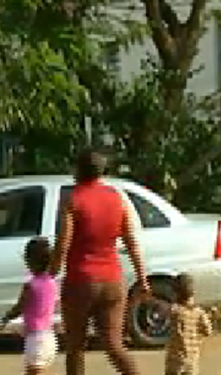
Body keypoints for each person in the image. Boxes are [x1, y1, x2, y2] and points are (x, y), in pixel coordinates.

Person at [49, 149, 149, 375]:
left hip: (80, 281)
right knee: (114, 346)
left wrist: (50, 272)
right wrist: (142, 278)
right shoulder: (115, 197)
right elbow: (131, 240)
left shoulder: (73, 199)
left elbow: (63, 244)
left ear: (78, 170)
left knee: (75, 347)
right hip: (113, 280)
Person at [0, 237, 59, 375]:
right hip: (49, 336)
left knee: (34, 371)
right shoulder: (52, 282)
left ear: (29, 260)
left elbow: (20, 307)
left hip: (36, 337)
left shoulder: (30, 286)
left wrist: (7, 317)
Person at [158, 274, 214, 375]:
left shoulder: (174, 310)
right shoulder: (200, 313)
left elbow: (160, 313)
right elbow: (208, 331)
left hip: (175, 360)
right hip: (191, 360)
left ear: (175, 293)